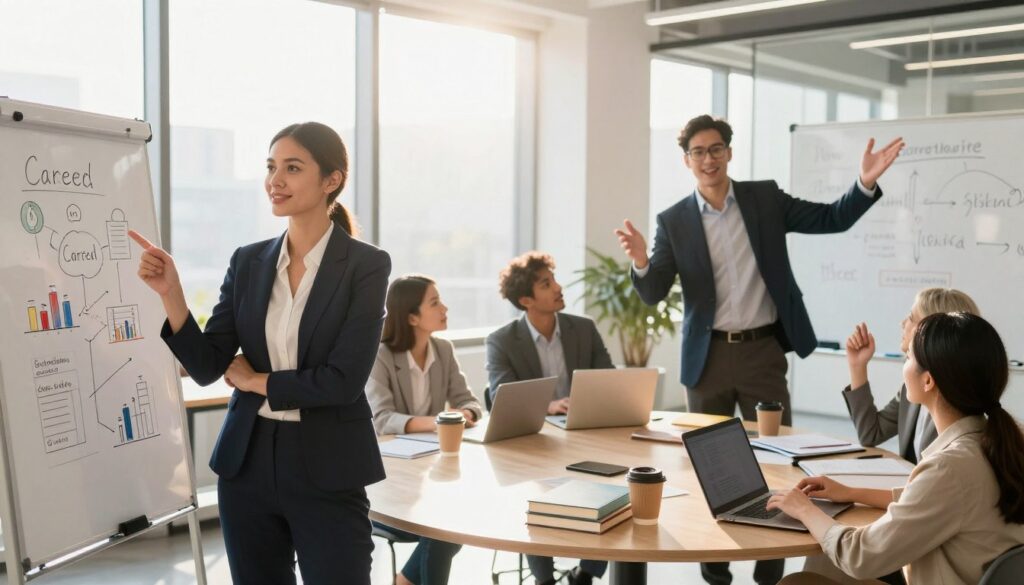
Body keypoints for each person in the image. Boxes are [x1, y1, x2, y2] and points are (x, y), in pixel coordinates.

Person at [616, 114, 903, 585]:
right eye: (697, 152)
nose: (707, 159)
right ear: (686, 161)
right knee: (705, 468)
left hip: (762, 353)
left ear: (729, 152)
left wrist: (864, 183)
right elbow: (653, 292)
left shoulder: (764, 199)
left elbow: (830, 218)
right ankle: (714, 570)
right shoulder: (674, 221)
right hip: (706, 359)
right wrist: (643, 261)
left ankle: (769, 572)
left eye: (715, 149)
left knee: (775, 462)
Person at [129, 122, 390, 585]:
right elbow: (208, 366)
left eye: (292, 167)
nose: (275, 180)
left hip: (328, 464)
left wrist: (257, 382)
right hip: (246, 464)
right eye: (271, 167)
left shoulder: (366, 266)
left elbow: (343, 381)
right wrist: (172, 294)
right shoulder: (248, 261)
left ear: (332, 180)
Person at [769, 312, 1024, 585]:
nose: (904, 366)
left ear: (928, 381)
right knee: (824, 557)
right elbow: (932, 500)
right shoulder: (993, 444)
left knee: (795, 582)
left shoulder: (950, 467)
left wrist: (804, 509)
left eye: (908, 358)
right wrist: (851, 492)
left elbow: (860, 556)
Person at [485, 251, 613, 585]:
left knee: (618, 489)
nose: (558, 287)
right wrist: (548, 405)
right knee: (532, 496)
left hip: (585, 437)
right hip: (535, 443)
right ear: (526, 299)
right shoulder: (501, 340)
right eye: (546, 283)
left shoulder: (583, 329)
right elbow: (501, 394)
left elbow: (608, 380)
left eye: (554, 278)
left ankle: (586, 572)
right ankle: (544, 580)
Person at [366, 275, 482, 585]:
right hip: (391, 479)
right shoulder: (380, 354)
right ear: (411, 317)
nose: (444, 308)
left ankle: (402, 581)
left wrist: (466, 412)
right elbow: (382, 418)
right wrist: (441, 420)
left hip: (433, 472)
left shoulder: (443, 349)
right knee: (445, 525)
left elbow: (469, 401)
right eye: (435, 302)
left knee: (453, 520)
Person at [843, 288, 980, 463]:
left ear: (933, 332)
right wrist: (858, 366)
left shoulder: (955, 405)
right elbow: (870, 434)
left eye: (911, 318)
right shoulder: (914, 386)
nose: (903, 323)